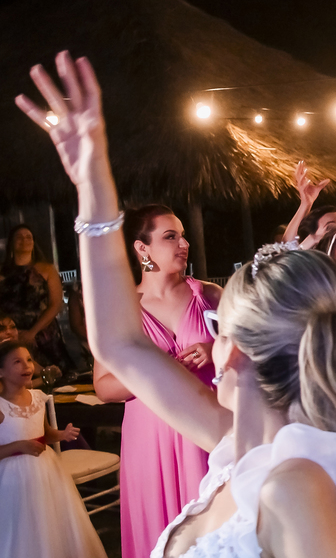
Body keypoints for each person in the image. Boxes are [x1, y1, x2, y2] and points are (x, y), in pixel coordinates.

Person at [16, 51, 336, 558]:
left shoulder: (298, 487)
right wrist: (92, 184)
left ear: (235, 350)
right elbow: (117, 344)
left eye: (220, 328)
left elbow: (121, 345)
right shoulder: (233, 442)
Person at [88, 203, 221, 558]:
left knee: (212, 525)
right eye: (170, 236)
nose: (184, 244)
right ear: (142, 248)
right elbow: (103, 387)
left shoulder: (209, 296)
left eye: (182, 236)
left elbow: (252, 352)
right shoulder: (121, 308)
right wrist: (156, 369)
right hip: (150, 435)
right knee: (159, 531)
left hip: (206, 426)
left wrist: (216, 351)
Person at [0, 340, 105, 558]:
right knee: (21, 526)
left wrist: (62, 435)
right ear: (1, 372)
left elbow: (45, 433)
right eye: (17, 362)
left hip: (45, 470)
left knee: (50, 519)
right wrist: (18, 446)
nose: (27, 366)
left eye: (29, 360)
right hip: (13, 477)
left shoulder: (38, 397)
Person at [0, 224, 71, 370]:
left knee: (54, 372)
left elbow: (56, 304)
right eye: (19, 237)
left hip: (43, 331)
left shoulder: (47, 269)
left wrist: (32, 332)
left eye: (28, 237)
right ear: (11, 242)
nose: (24, 240)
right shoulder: (2, 272)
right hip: (12, 333)